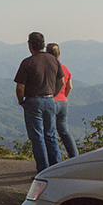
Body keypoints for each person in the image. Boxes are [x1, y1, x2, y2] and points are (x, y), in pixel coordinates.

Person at [14, 32, 65, 172]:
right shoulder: (54, 60)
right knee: (51, 135)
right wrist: (52, 95)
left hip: (33, 101)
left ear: (30, 45)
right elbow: (62, 81)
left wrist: (21, 101)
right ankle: (56, 168)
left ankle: (43, 170)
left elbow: (20, 87)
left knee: (37, 137)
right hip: (50, 100)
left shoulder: (28, 62)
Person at [47, 43, 79, 159]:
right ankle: (74, 156)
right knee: (64, 131)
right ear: (59, 54)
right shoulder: (65, 68)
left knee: (49, 132)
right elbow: (69, 87)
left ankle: (55, 159)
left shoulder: (49, 68)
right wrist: (63, 96)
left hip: (51, 101)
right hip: (64, 102)